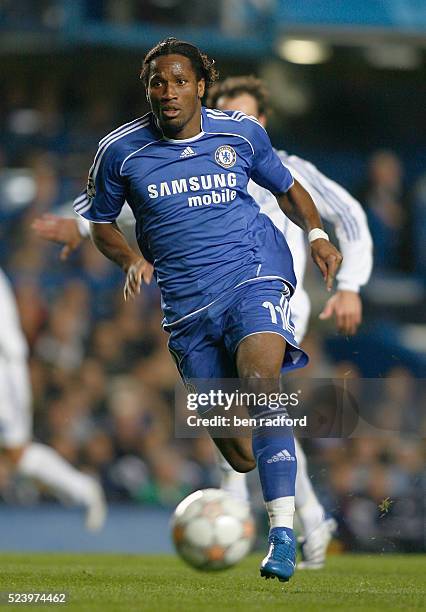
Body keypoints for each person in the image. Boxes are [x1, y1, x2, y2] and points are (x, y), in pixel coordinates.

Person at [38, 37, 343, 582]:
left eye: (180, 81)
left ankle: (282, 534)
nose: (169, 92)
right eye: (159, 83)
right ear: (148, 90)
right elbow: (102, 222)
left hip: (254, 272)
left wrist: (316, 233)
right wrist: (130, 257)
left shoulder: (241, 133)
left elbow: (290, 188)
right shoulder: (120, 151)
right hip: (186, 307)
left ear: (201, 86)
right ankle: (263, 491)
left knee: (261, 379)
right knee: (236, 451)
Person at [207, 76, 373, 568]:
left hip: (276, 301)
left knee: (241, 398)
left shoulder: (290, 170)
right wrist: (87, 224)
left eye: (246, 116)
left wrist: (350, 286)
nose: (237, 126)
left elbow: (351, 216)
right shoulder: (200, 171)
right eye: (227, 116)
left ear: (262, 122)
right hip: (216, 304)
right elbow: (134, 205)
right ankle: (313, 518)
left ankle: (233, 511)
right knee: (256, 408)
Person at [0, 267, 107, 531]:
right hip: (9, 364)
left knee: (17, 452)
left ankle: (83, 489)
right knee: (17, 454)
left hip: (4, 367)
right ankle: (83, 489)